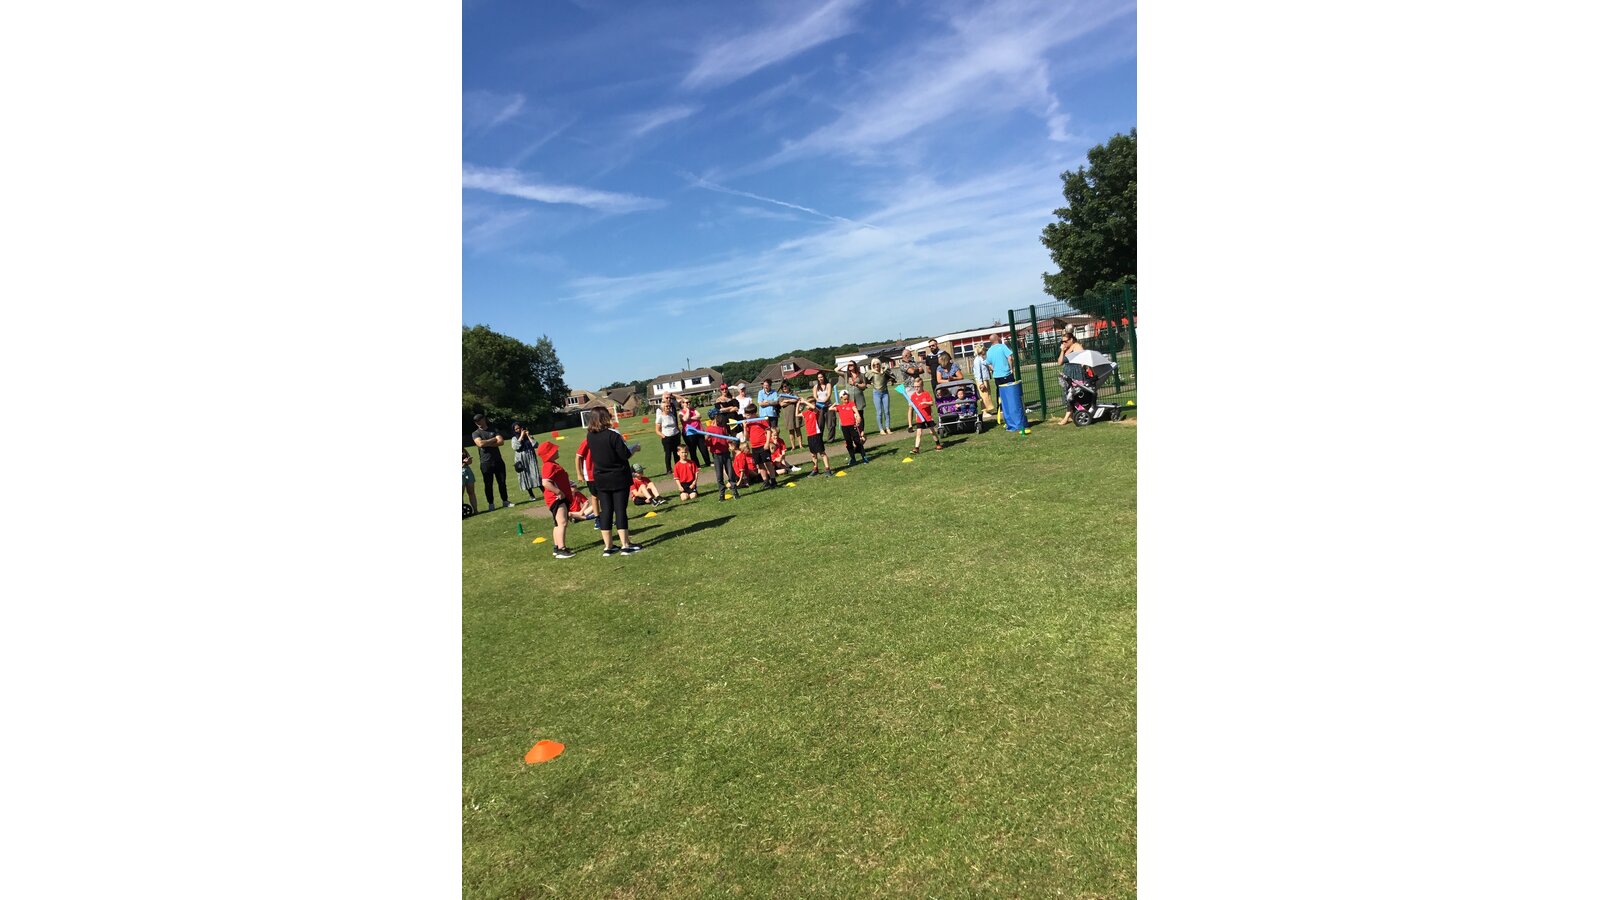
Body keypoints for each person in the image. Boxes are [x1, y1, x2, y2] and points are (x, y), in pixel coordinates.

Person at [583, 409, 644, 555]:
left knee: (606, 511)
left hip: (601, 478)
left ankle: (608, 546)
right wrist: (634, 448)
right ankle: (625, 545)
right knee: (620, 510)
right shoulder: (613, 434)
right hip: (618, 476)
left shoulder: (590, 436)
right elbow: (624, 454)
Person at [536, 441, 577, 559]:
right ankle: (561, 549)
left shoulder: (553, 464)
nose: (557, 450)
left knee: (557, 523)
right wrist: (559, 492)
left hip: (558, 497)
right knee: (562, 523)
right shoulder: (549, 465)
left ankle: (557, 546)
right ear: (549, 454)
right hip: (557, 498)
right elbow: (545, 482)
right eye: (554, 450)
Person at [471, 413, 513, 510]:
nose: (478, 423)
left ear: (484, 419)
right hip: (485, 462)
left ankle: (505, 501)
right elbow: (480, 444)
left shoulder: (494, 429)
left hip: (498, 460)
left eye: (479, 420)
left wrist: (487, 443)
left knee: (502, 482)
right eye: (476, 421)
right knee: (488, 484)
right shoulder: (476, 433)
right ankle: (491, 504)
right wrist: (494, 439)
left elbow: (501, 442)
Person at [701, 413, 740, 500]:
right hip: (716, 455)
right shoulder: (709, 429)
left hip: (726, 453)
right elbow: (708, 443)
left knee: (730, 473)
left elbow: (725, 439)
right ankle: (722, 494)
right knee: (719, 476)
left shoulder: (723, 428)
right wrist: (706, 439)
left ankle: (735, 492)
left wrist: (730, 440)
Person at [1054, 334, 1088, 426]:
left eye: (1066, 341)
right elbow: (1060, 362)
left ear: (1071, 339)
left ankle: (1066, 417)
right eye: (1062, 341)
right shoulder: (1065, 349)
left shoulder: (1076, 346)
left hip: (1076, 374)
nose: (1064, 343)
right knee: (1067, 395)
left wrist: (1083, 369)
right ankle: (1072, 415)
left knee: (1071, 395)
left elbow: (1084, 358)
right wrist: (1062, 350)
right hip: (1067, 374)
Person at [798, 398, 833, 477]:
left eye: (809, 403)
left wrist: (805, 401)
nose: (806, 405)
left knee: (822, 453)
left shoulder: (816, 411)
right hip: (809, 436)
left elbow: (813, 407)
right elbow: (797, 414)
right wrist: (798, 404)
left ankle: (828, 469)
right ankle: (815, 469)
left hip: (816, 434)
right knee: (813, 454)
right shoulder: (806, 413)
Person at [743, 412, 778, 489]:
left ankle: (773, 480)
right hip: (754, 447)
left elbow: (768, 431)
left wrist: (767, 443)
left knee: (768, 463)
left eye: (748, 415)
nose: (746, 416)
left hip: (763, 446)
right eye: (745, 415)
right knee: (760, 465)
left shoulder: (761, 420)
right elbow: (747, 438)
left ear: (754, 414)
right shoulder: (748, 423)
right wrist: (745, 427)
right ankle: (766, 482)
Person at [510, 421, 541, 503]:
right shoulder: (514, 438)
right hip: (521, 459)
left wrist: (528, 435)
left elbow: (536, 445)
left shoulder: (528, 436)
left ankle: (544, 492)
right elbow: (515, 447)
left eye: (519, 428)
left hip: (531, 457)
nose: (518, 430)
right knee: (525, 476)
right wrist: (521, 436)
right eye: (516, 429)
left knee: (535, 474)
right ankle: (531, 495)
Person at [908, 378, 941, 453]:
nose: (916, 388)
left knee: (932, 431)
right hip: (919, 418)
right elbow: (911, 407)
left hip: (927, 417)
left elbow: (931, 403)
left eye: (918, 386)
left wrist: (925, 403)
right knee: (919, 433)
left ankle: (938, 444)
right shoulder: (913, 396)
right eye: (915, 386)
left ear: (922, 386)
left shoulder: (926, 393)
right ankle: (916, 448)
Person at [835, 391, 867, 465]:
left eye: (847, 398)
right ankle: (853, 458)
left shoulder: (851, 404)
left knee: (857, 441)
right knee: (848, 443)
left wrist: (858, 416)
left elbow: (855, 410)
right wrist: (835, 404)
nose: (846, 400)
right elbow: (830, 409)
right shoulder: (839, 407)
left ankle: (864, 457)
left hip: (852, 426)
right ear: (841, 398)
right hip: (844, 427)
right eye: (844, 399)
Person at [655, 393, 682, 477]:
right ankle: (669, 470)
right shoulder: (660, 416)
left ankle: (678, 468)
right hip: (667, 438)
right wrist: (663, 436)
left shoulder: (671, 415)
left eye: (669, 406)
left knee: (676, 453)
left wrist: (678, 432)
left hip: (675, 435)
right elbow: (657, 430)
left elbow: (675, 424)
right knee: (668, 454)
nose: (668, 407)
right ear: (663, 408)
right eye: (666, 406)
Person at [680, 398, 712, 467]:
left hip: (699, 431)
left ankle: (708, 462)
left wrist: (690, 418)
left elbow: (699, 416)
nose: (688, 403)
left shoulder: (694, 409)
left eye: (689, 402)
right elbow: (685, 419)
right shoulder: (681, 412)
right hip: (689, 433)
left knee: (703, 448)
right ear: (682, 404)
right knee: (692, 450)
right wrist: (688, 410)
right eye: (686, 402)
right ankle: (696, 465)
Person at [971, 338, 997, 419]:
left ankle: (988, 410)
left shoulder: (982, 359)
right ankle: (984, 412)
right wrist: (981, 383)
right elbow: (978, 372)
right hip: (981, 381)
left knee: (987, 395)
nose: (985, 351)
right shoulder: (977, 360)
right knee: (984, 396)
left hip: (985, 379)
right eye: (984, 350)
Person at [867, 358, 894, 435]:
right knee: (879, 412)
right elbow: (866, 380)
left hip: (885, 392)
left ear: (880, 364)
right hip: (876, 393)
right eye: (874, 365)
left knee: (887, 411)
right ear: (872, 365)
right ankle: (881, 429)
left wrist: (891, 381)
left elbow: (892, 377)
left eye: (877, 364)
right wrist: (868, 384)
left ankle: (887, 428)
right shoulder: (871, 373)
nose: (876, 366)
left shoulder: (884, 372)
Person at [812, 373, 836, 442]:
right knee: (820, 424)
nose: (820, 379)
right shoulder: (816, 386)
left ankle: (831, 439)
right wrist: (819, 402)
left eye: (821, 377)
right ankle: (819, 439)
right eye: (819, 377)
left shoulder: (828, 385)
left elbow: (829, 395)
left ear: (824, 377)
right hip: (819, 407)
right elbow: (815, 396)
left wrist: (824, 402)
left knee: (831, 423)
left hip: (828, 406)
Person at [779, 379, 802, 447]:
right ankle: (793, 446)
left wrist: (787, 401)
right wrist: (791, 401)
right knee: (791, 431)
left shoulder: (793, 392)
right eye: (783, 387)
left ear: (788, 386)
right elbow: (781, 404)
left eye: (785, 386)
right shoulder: (782, 395)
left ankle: (800, 445)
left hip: (796, 414)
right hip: (788, 415)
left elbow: (797, 399)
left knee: (798, 429)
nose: (784, 388)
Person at [462, 450, 478, 516]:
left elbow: (470, 462)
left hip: (467, 471)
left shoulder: (463, 449)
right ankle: (462, 512)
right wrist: (463, 463)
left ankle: (475, 510)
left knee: (471, 492)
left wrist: (468, 461)